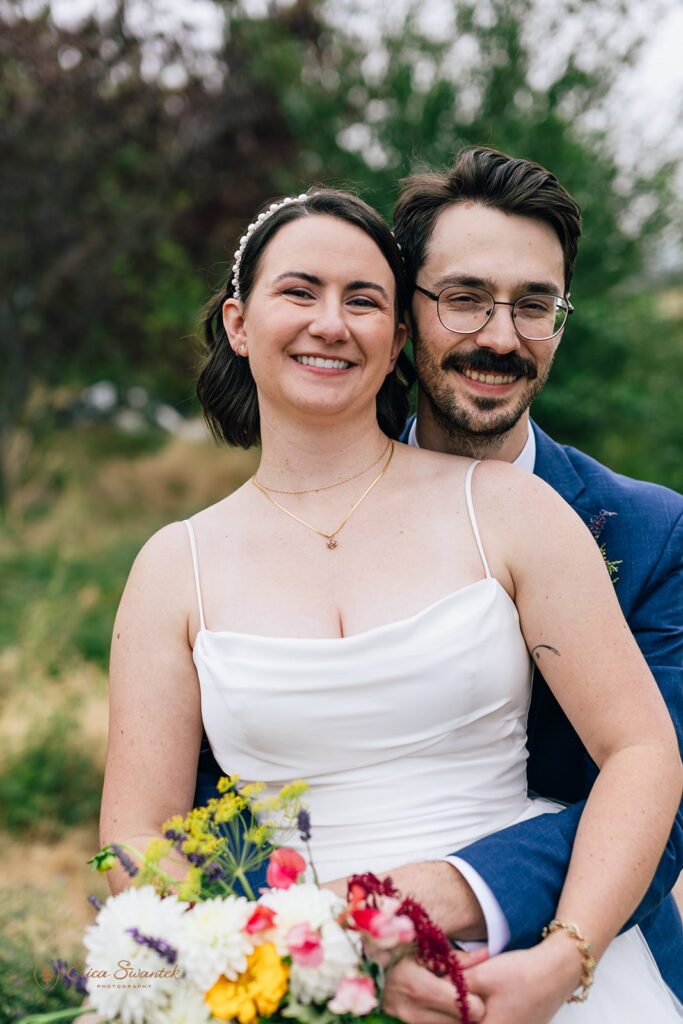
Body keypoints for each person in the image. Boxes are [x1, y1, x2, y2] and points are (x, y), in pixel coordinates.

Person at [100, 187, 682, 1023]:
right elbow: (139, 837)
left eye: (362, 299)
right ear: (237, 322)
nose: (330, 323)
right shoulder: (173, 565)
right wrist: (312, 951)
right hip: (285, 955)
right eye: (299, 292)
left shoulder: (512, 511)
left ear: (394, 335)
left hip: (519, 954)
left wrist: (565, 954)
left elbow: (645, 752)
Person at [375, 146, 683, 1023]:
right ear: (405, 312)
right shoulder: (307, 515)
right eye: (465, 298)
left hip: (588, 960)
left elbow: (670, 794)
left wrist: (464, 900)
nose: (501, 338)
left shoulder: (652, 531)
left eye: (534, 306)